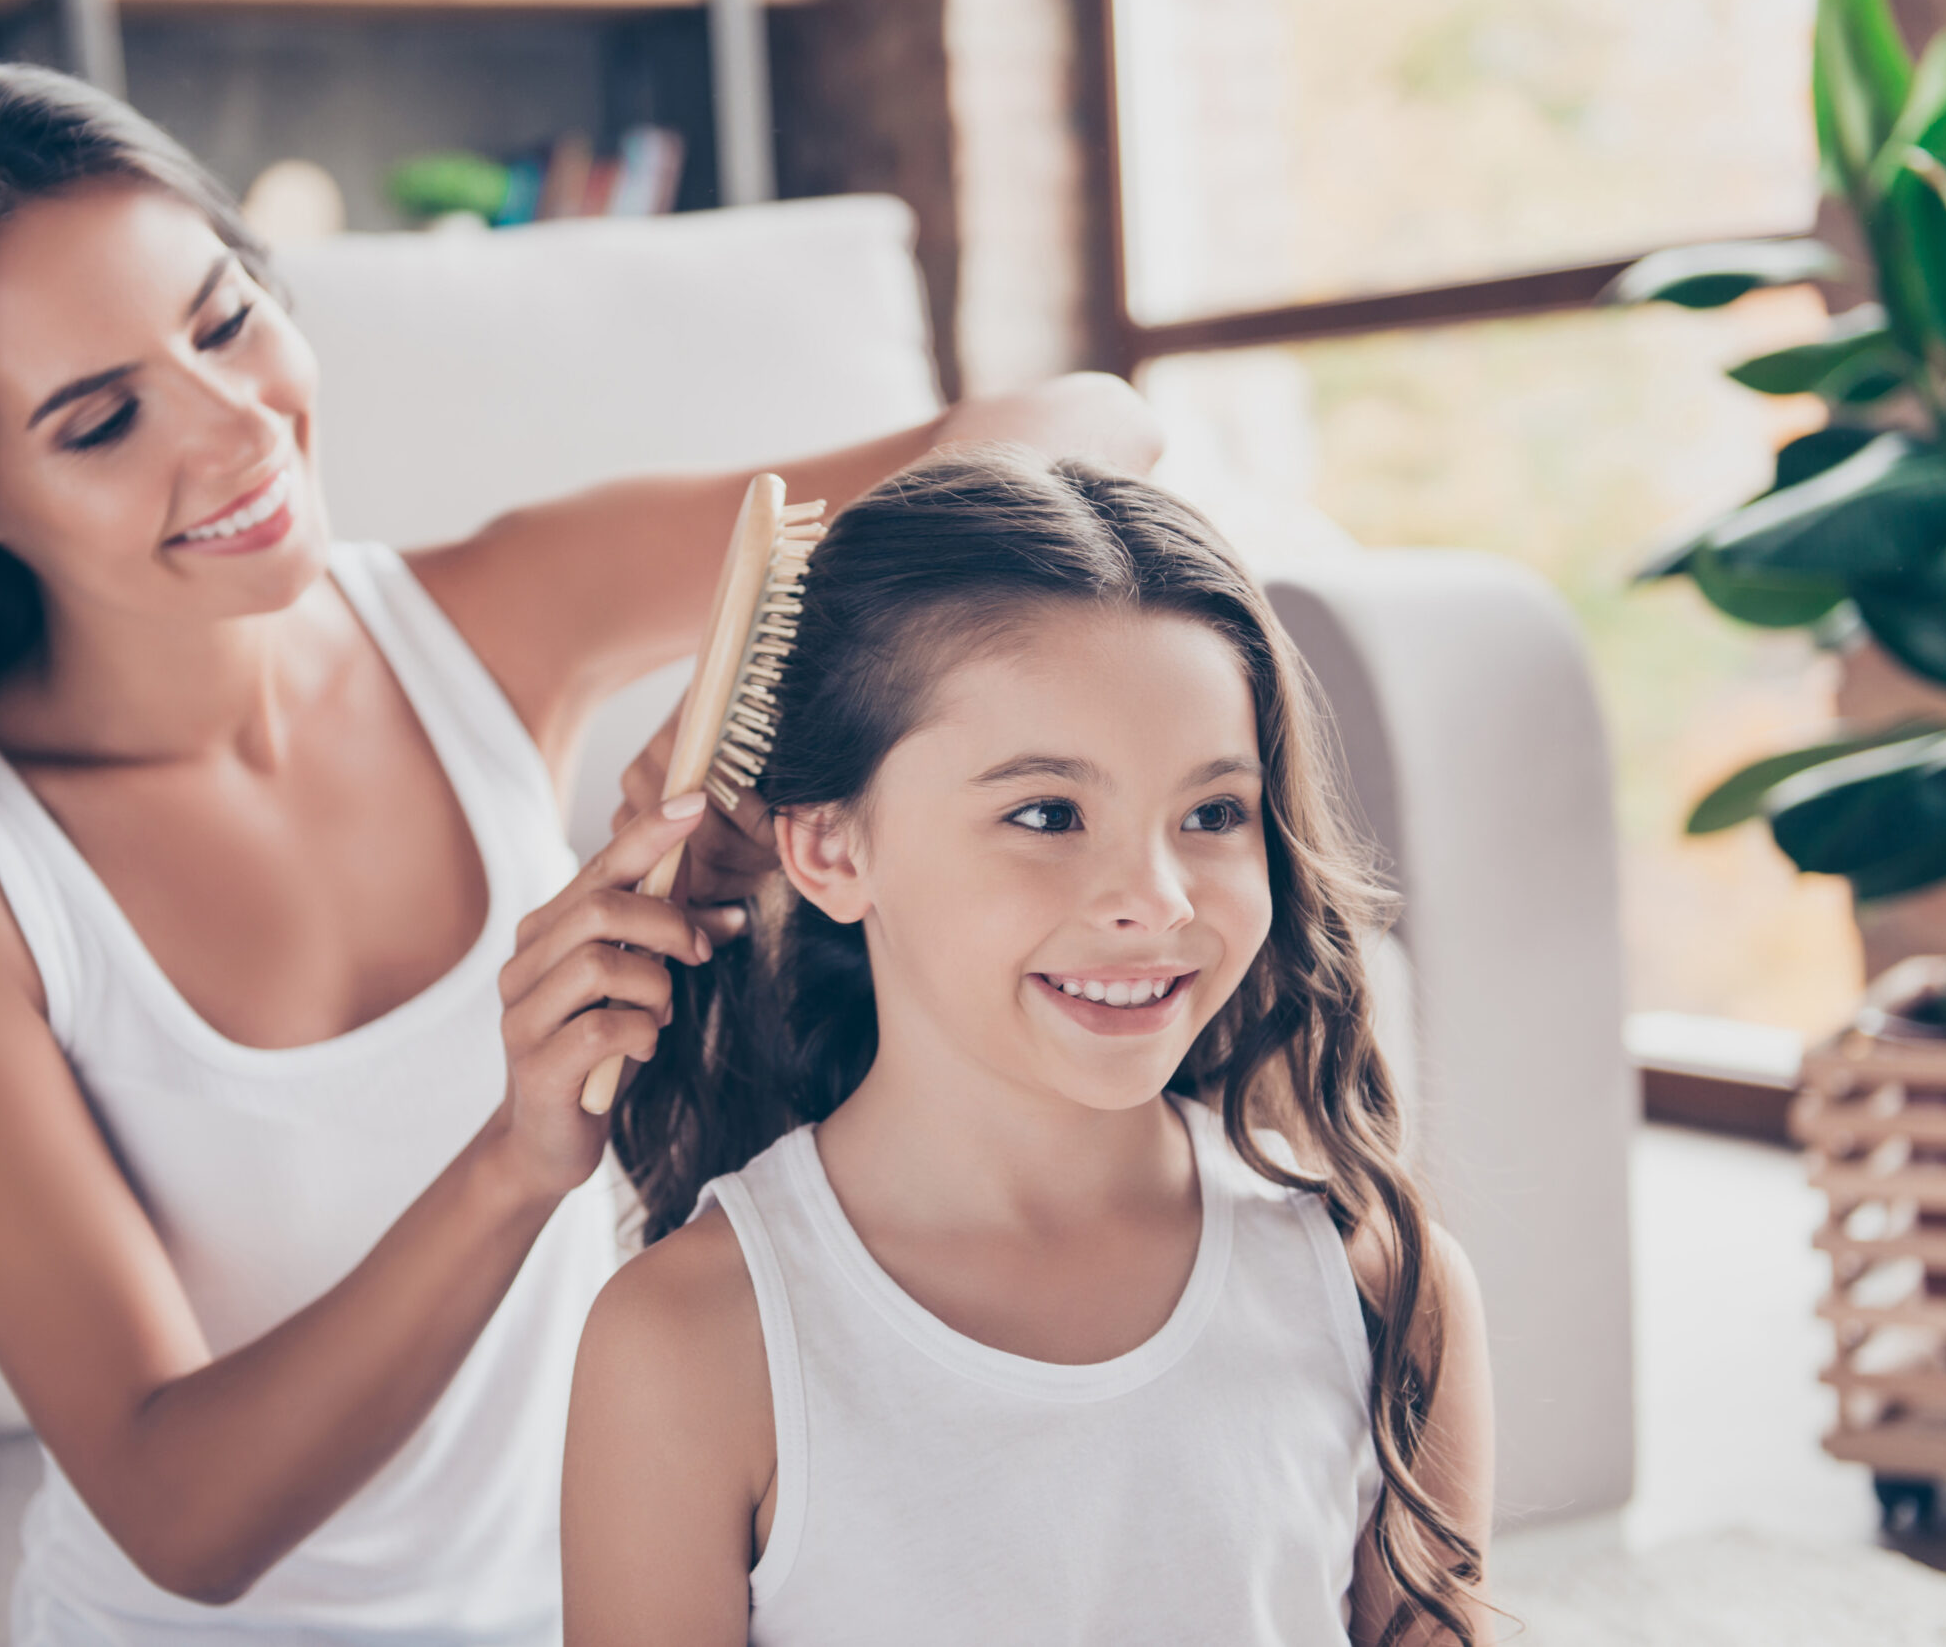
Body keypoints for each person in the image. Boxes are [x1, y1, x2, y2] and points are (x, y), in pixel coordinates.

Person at [0, 58, 1161, 1643]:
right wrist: (516, 1158)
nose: (234, 432)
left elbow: (1079, 424)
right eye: (101, 420)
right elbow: (180, 1515)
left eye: (223, 321)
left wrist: (763, 692)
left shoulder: (488, 616)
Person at [561, 455, 1496, 1647]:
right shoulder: (689, 1344)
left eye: (1212, 813)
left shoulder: (1375, 1283)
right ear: (831, 850)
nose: (1155, 901)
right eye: (1046, 814)